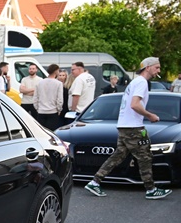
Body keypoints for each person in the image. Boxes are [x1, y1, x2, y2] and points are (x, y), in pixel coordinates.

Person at [84, 57, 171, 200]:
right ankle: (151, 189)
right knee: (145, 157)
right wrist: (150, 115)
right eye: (157, 67)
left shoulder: (135, 82)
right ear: (148, 67)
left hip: (124, 126)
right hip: (133, 127)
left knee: (118, 156)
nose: (159, 71)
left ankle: (95, 182)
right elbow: (135, 104)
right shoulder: (142, 82)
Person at [33, 64, 64, 130]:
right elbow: (60, 99)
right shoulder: (58, 83)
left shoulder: (39, 83)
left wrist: (37, 108)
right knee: (51, 131)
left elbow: (35, 98)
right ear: (56, 71)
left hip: (41, 111)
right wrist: (59, 109)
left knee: (41, 131)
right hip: (53, 111)